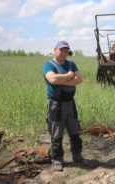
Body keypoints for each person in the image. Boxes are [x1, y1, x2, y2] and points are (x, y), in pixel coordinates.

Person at [43, 41, 87, 171]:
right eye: (61, 50)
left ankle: (77, 156)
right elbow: (53, 79)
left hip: (70, 103)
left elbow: (79, 79)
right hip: (56, 104)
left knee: (75, 132)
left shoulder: (71, 64)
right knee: (56, 133)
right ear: (55, 50)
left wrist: (62, 81)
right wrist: (68, 76)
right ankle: (57, 160)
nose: (63, 53)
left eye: (66, 50)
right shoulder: (48, 65)